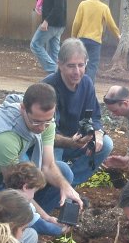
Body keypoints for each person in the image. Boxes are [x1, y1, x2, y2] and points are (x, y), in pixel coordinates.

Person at [0, 83, 81, 215]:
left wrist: (66, 187)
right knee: (35, 226)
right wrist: (45, 219)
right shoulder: (5, 138)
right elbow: (15, 187)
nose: (41, 128)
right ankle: (32, 221)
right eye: (36, 122)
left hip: (4, 177)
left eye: (47, 121)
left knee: (63, 172)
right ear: (22, 109)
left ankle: (35, 217)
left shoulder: (45, 122)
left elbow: (49, 166)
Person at [42, 38, 114, 185]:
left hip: (77, 140)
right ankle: (53, 191)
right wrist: (70, 142)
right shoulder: (48, 88)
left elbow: (95, 116)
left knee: (105, 144)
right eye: (71, 66)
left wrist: (98, 134)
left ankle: (71, 184)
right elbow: (44, 132)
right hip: (53, 143)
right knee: (56, 167)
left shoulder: (87, 83)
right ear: (60, 64)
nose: (77, 72)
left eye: (81, 65)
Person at [70, 0, 120, 83]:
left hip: (82, 39)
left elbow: (76, 22)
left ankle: (77, 84)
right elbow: (111, 24)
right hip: (95, 41)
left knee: (79, 63)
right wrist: (118, 35)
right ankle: (88, 86)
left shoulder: (83, 4)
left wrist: (73, 36)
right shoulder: (104, 7)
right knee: (92, 65)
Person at [2, 162, 66, 237]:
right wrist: (60, 230)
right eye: (34, 192)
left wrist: (48, 219)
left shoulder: (3, 195)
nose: (33, 197)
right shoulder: (21, 206)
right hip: (4, 239)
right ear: (25, 187)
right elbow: (40, 225)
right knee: (32, 234)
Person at [30, 0, 67, 74]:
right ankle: (56, 78)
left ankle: (56, 72)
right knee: (53, 51)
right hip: (57, 23)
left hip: (52, 23)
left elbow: (59, 6)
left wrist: (46, 21)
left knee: (35, 45)